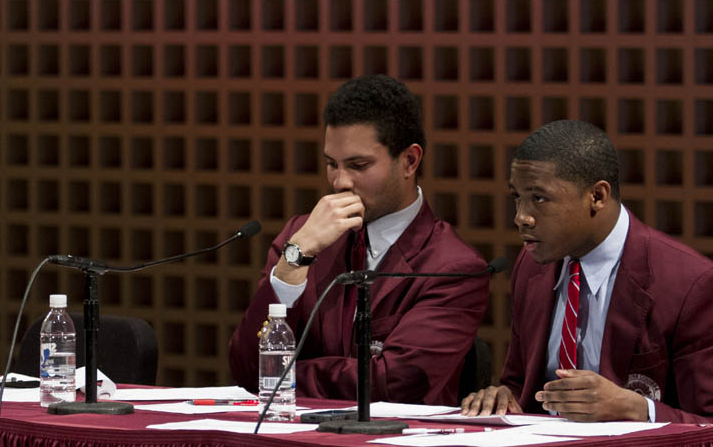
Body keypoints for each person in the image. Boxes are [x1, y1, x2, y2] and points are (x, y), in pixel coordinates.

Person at [228, 75, 489, 405]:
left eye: (358, 165)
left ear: (410, 160)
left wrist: (286, 375)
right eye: (331, 164)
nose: (340, 182)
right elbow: (247, 370)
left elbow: (390, 385)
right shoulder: (302, 237)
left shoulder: (453, 266)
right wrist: (293, 261)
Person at [461, 120, 713, 423]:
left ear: (597, 196)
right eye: (517, 197)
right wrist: (502, 396)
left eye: (539, 198)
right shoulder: (532, 267)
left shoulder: (690, 284)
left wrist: (637, 408)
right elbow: (520, 386)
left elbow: (705, 425)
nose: (521, 217)